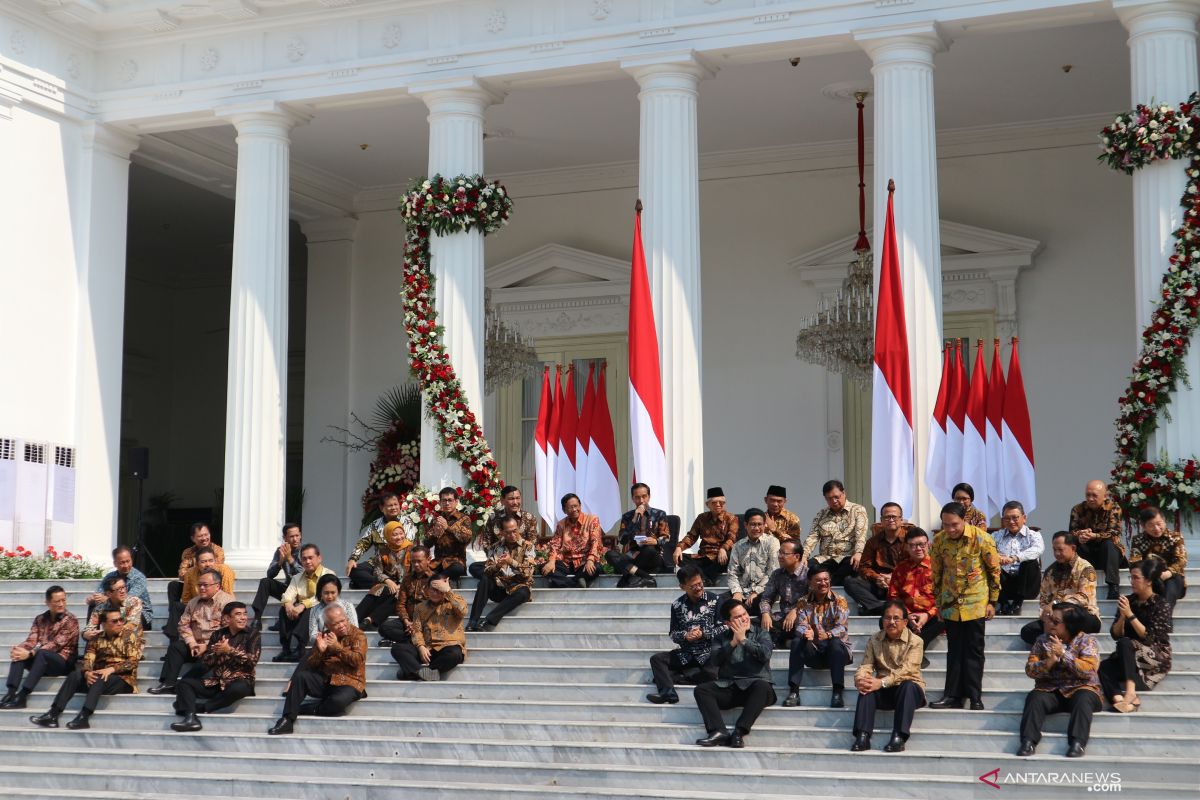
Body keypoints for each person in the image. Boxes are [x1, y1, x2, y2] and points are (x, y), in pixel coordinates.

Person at [929, 502, 1000, 711]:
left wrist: (993, 602)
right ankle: (952, 695)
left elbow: (994, 572)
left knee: (974, 651)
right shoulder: (939, 541)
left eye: (954, 524)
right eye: (946, 525)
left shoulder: (982, 539)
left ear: (964, 521)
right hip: (951, 603)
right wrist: (939, 604)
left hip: (975, 602)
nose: (950, 529)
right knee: (954, 651)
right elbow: (936, 575)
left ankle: (974, 696)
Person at [29, 609, 142, 730]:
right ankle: (53, 714)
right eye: (115, 621)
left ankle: (84, 716)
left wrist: (111, 669)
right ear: (103, 624)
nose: (120, 623)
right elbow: (88, 658)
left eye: (121, 619)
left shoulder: (130, 635)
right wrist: (87, 672)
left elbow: (133, 662)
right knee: (74, 675)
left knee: (99, 677)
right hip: (100, 677)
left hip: (123, 679)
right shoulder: (96, 638)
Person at [1017, 603, 1103, 758]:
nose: (1049, 623)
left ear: (1069, 625)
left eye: (1055, 622)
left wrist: (1064, 654)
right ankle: (1028, 741)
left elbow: (1088, 670)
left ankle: (1078, 743)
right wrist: (1048, 662)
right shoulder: (1042, 641)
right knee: (1035, 697)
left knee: (1083, 698)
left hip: (1081, 688)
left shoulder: (1087, 641)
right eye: (1050, 619)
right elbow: (1030, 669)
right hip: (1051, 690)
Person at [268, 604, 367, 735]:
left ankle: (311, 709)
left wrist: (337, 648)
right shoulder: (324, 636)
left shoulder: (358, 635)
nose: (342, 625)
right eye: (336, 623)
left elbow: (357, 660)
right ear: (328, 625)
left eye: (343, 620)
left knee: (337, 702)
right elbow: (311, 664)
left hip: (350, 682)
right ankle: (287, 719)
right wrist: (320, 652)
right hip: (327, 680)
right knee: (301, 677)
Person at [692, 600, 776, 748]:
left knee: (762, 686)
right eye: (738, 617)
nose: (744, 618)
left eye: (745, 614)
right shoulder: (721, 637)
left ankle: (739, 732)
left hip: (757, 689)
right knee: (701, 690)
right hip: (731, 686)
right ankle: (718, 731)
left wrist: (744, 640)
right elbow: (714, 661)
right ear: (728, 622)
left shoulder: (761, 633)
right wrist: (733, 642)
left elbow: (765, 654)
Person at [170, 600, 261, 732]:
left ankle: (203, 708)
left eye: (245, 614)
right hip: (216, 682)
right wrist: (216, 653)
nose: (243, 618)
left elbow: (252, 661)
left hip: (241, 680)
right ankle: (191, 718)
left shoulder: (253, 635)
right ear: (227, 618)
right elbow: (206, 662)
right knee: (184, 683)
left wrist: (229, 650)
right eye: (238, 614)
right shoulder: (218, 634)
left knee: (239, 688)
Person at [1098, 558, 1173, 713]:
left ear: (1148, 581)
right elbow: (1115, 634)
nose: (1132, 581)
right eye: (1130, 577)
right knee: (1104, 666)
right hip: (1129, 656)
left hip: (1154, 656)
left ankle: (1131, 693)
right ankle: (1121, 701)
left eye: (1136, 577)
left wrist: (1130, 615)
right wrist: (1122, 617)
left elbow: (1150, 638)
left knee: (1126, 643)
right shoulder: (1128, 601)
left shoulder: (1160, 604)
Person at [851, 600, 926, 753]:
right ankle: (863, 736)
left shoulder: (916, 641)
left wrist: (882, 682)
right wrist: (861, 679)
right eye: (887, 618)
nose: (891, 622)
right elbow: (866, 665)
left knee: (908, 685)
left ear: (905, 622)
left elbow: (908, 670)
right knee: (867, 685)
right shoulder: (874, 639)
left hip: (909, 692)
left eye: (896, 618)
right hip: (885, 690)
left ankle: (899, 736)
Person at [149, 568, 235, 694]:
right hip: (195, 645)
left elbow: (228, 631)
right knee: (176, 647)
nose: (201, 588)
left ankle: (185, 684)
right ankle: (169, 683)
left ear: (217, 586)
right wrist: (192, 643)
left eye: (205, 585)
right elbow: (183, 625)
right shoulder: (193, 602)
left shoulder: (228, 602)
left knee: (208, 658)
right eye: (199, 585)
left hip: (214, 647)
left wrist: (206, 646)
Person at [646, 564, 722, 705]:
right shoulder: (677, 605)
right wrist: (685, 636)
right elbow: (673, 633)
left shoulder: (715, 600)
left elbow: (724, 627)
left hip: (708, 653)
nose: (698, 588)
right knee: (657, 659)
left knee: (712, 673)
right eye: (693, 586)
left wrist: (704, 633)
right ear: (682, 587)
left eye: (700, 584)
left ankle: (681, 677)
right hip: (686, 653)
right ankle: (668, 693)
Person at [785, 563, 851, 709]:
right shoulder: (803, 601)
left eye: (826, 579)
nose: (823, 583)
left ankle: (837, 692)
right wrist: (805, 633)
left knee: (835, 642)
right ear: (810, 582)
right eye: (818, 580)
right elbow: (801, 625)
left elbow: (842, 628)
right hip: (815, 651)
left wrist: (826, 635)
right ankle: (794, 691)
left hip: (837, 653)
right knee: (797, 641)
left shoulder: (840, 600)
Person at [1, 586, 79, 709]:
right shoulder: (40, 619)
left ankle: (23, 696)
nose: (61, 604)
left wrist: (31, 653)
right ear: (47, 603)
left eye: (63, 600)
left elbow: (55, 645)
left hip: (63, 663)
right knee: (19, 654)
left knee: (42, 653)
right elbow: (31, 640)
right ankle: (11, 693)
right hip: (42, 661)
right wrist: (20, 649)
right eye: (57, 601)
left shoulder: (71, 620)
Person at [1019, 532, 1101, 645]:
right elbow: (1043, 601)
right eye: (1054, 550)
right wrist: (1046, 615)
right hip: (1056, 618)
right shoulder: (1050, 571)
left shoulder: (1085, 568)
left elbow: (1084, 598)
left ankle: (1059, 643)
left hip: (1081, 616)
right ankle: (1058, 645)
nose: (1057, 553)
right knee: (1027, 631)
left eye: (1060, 549)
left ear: (1073, 548)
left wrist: (1056, 603)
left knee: (1071, 622)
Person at [466, 514, 534, 632]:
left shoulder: (528, 546)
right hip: (500, 587)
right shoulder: (496, 547)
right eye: (508, 532)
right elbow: (487, 570)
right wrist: (497, 566)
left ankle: (489, 621)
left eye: (515, 531)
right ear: (502, 532)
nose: (512, 535)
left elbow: (528, 572)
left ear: (518, 529)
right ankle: (473, 621)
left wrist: (510, 561)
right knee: (485, 580)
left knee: (524, 592)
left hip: (517, 587)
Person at [391, 576, 467, 681]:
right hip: (427, 650)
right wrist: (421, 646)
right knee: (397, 648)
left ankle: (414, 673)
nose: (436, 593)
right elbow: (416, 630)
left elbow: (462, 611)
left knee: (455, 654)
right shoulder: (420, 607)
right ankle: (421, 672)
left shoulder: (454, 601)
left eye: (439, 589)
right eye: (433, 589)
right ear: (427, 589)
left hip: (447, 648)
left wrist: (448, 591)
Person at [844, 502, 910, 615]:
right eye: (886, 517)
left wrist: (894, 578)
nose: (890, 520)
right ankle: (879, 608)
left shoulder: (909, 540)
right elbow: (864, 567)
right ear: (881, 520)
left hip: (902, 584)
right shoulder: (873, 542)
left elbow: (914, 565)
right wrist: (877, 578)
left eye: (894, 517)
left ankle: (875, 609)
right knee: (850, 581)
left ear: (901, 519)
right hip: (879, 584)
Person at [887, 528, 944, 657]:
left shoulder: (939, 566)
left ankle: (915, 649)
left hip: (932, 617)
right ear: (906, 547)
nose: (918, 549)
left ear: (928, 544)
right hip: (907, 617)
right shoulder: (901, 569)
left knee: (946, 614)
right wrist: (908, 615)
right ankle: (916, 650)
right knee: (885, 619)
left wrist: (927, 615)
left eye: (921, 545)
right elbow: (893, 596)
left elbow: (946, 596)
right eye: (913, 545)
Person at [801, 479, 869, 586]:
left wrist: (859, 552)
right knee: (804, 568)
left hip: (847, 558)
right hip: (826, 558)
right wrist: (804, 556)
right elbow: (812, 537)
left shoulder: (858, 510)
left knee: (854, 565)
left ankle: (827, 584)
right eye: (829, 499)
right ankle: (826, 583)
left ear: (844, 493)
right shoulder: (821, 514)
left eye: (837, 497)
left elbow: (860, 535)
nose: (834, 501)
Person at [274, 543, 335, 662]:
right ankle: (285, 648)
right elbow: (288, 594)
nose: (307, 561)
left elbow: (323, 596)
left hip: (322, 609)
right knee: (284, 610)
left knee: (310, 610)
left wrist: (303, 605)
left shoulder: (328, 574)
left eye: (310, 558)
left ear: (319, 558)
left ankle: (300, 648)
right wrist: (288, 604)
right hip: (300, 610)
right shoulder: (297, 577)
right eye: (304, 558)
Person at [1068, 480, 1126, 600]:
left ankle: (1114, 586)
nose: (1090, 499)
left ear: (1104, 496)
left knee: (1109, 544)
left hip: (1109, 555)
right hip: (1089, 553)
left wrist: (1094, 536)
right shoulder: (1077, 509)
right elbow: (1071, 532)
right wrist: (1080, 535)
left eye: (1094, 495)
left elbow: (1114, 532)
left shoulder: (1114, 508)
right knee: (1074, 545)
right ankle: (1075, 586)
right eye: (1088, 495)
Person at [167, 546, 235, 640]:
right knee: (177, 605)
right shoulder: (191, 572)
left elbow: (229, 597)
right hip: (196, 605)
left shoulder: (225, 570)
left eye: (211, 561)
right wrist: (195, 609)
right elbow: (186, 598)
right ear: (197, 563)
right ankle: (174, 639)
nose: (207, 564)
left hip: (217, 607)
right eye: (203, 562)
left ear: (215, 561)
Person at [673, 487, 737, 586]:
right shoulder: (701, 518)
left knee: (727, 557)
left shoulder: (731, 518)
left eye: (721, 502)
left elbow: (732, 538)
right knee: (681, 558)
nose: (718, 505)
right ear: (707, 505)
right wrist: (679, 547)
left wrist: (723, 548)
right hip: (704, 555)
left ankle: (704, 578)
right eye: (714, 502)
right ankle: (705, 579)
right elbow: (691, 536)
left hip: (720, 555)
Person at [607, 482, 667, 587]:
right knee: (610, 554)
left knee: (649, 549)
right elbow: (623, 540)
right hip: (633, 556)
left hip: (652, 555)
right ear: (633, 499)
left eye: (644, 497)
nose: (641, 501)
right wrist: (634, 518)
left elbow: (666, 538)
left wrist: (656, 541)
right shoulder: (627, 516)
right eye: (637, 497)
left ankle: (627, 576)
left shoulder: (659, 514)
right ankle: (646, 577)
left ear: (649, 497)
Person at [354, 521, 410, 630]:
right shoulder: (383, 550)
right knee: (378, 590)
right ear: (388, 536)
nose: (399, 537)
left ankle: (369, 620)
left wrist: (402, 586)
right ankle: (354, 619)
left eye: (401, 533)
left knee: (398, 596)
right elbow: (377, 571)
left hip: (407, 585)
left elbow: (414, 571)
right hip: (389, 584)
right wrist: (388, 580)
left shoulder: (411, 549)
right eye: (395, 534)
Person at [474, 486, 539, 581]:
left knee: (537, 568)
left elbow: (533, 542)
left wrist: (513, 561)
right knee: (474, 567)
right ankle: (499, 577)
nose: (515, 502)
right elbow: (486, 543)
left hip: (521, 564)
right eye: (511, 499)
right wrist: (497, 559)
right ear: (502, 500)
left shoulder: (529, 518)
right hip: (498, 562)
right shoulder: (494, 518)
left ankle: (501, 578)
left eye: (518, 498)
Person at [992, 501, 1044, 615]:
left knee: (1029, 562)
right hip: (1005, 585)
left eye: (1015, 518)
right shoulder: (996, 536)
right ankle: (1003, 602)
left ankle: (1017, 603)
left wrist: (1014, 558)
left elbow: (1038, 549)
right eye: (1007, 518)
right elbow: (986, 551)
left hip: (1027, 586)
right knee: (991, 563)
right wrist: (996, 556)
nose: (1011, 522)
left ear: (1024, 518)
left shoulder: (1034, 535)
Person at [1129, 507, 1188, 606]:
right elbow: (1135, 562)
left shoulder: (1175, 537)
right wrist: (1149, 575)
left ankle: (1164, 618)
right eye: (1151, 525)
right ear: (1143, 526)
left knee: (1169, 589)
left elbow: (1181, 560)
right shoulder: (1138, 540)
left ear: (1164, 521)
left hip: (1173, 577)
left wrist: (1168, 573)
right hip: (1150, 579)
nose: (1156, 528)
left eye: (1159, 524)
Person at [378, 545, 435, 647]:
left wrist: (417, 625)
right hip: (408, 622)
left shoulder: (435, 580)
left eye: (419, 561)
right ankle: (413, 640)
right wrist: (406, 622)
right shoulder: (407, 579)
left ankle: (407, 641)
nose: (416, 564)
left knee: (433, 631)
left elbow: (437, 606)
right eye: (413, 561)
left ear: (428, 560)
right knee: (384, 627)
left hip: (428, 622)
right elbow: (400, 604)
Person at [544, 493, 604, 588]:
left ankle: (562, 582)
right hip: (566, 563)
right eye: (570, 507)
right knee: (544, 568)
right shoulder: (561, 524)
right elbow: (555, 545)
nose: (574, 509)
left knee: (596, 568)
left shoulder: (592, 519)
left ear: (580, 505)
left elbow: (595, 541)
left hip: (584, 562)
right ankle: (576, 584)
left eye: (576, 506)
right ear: (564, 510)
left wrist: (590, 560)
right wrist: (551, 561)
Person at [346, 492, 404, 589]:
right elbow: (363, 543)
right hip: (379, 565)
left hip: (401, 564)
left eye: (395, 504)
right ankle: (386, 585)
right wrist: (353, 558)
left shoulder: (408, 522)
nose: (394, 508)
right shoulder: (375, 525)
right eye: (390, 505)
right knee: (354, 570)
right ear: (382, 508)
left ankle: (379, 584)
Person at [250, 523, 304, 626]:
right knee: (265, 582)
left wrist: (290, 560)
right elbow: (269, 574)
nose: (295, 539)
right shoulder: (280, 551)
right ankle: (257, 619)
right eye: (291, 536)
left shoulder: (305, 551)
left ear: (300, 535)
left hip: (303, 591)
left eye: (297, 535)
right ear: (285, 538)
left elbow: (306, 575)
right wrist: (280, 562)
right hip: (288, 589)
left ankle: (282, 623)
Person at [727, 508, 780, 610]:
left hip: (764, 590)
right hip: (742, 590)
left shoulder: (772, 542)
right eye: (753, 524)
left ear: (765, 525)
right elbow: (732, 572)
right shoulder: (737, 546)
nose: (756, 528)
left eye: (759, 524)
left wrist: (756, 591)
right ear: (745, 525)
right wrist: (737, 592)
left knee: (760, 603)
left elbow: (773, 572)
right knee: (722, 602)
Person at [88, 546, 152, 630]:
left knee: (127, 607)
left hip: (137, 613)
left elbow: (128, 599)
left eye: (128, 561)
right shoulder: (110, 577)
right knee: (93, 605)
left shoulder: (139, 577)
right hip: (115, 610)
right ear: (115, 563)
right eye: (122, 562)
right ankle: (91, 635)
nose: (126, 565)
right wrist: (93, 598)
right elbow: (99, 593)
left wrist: (107, 599)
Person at [758, 539, 809, 646]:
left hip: (802, 617)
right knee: (755, 624)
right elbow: (766, 598)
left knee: (802, 625)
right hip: (782, 618)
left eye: (784, 553)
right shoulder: (777, 574)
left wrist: (796, 610)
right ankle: (783, 642)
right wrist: (766, 613)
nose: (780, 556)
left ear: (797, 557)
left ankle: (784, 641)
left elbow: (813, 599)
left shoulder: (808, 574)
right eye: (779, 552)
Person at [168, 522, 224, 615]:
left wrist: (195, 564)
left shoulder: (218, 551)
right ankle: (174, 615)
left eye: (206, 535)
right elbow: (182, 574)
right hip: (192, 583)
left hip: (211, 585)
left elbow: (213, 570)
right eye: (200, 536)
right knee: (173, 585)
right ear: (193, 538)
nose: (204, 538)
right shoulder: (188, 552)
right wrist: (195, 572)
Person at [425, 486, 473, 582]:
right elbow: (427, 544)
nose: (447, 503)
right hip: (438, 562)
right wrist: (435, 534)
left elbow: (465, 538)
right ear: (440, 502)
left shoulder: (464, 519)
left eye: (450, 500)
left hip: (456, 562)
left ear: (456, 502)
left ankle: (435, 579)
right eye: (444, 500)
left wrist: (447, 528)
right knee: (421, 569)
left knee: (457, 569)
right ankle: (437, 578)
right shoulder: (436, 520)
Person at [81, 574, 143, 641]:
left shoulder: (134, 602)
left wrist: (104, 633)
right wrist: (85, 634)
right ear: (108, 594)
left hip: (129, 641)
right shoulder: (101, 607)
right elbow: (90, 627)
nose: (123, 591)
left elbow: (131, 626)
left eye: (124, 587)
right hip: (108, 641)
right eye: (118, 589)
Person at [305, 574, 359, 649]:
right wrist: (327, 640)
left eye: (333, 592)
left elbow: (354, 629)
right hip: (323, 647)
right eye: (326, 593)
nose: (330, 596)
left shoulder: (347, 606)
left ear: (338, 592)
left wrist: (336, 642)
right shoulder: (315, 609)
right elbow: (313, 635)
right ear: (321, 593)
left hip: (345, 647)